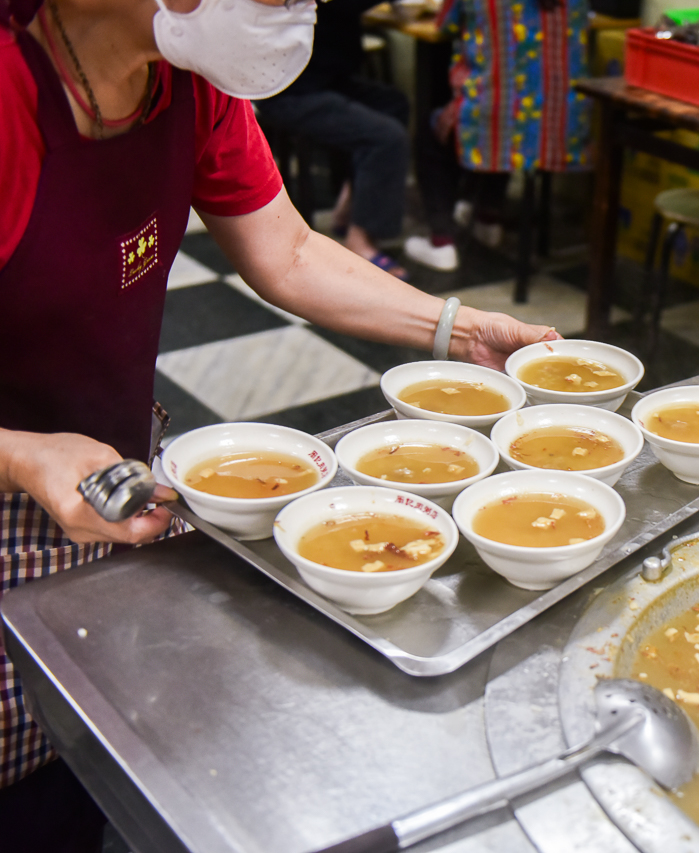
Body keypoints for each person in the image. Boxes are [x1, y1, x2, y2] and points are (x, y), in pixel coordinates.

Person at [0, 0, 558, 845]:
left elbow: (286, 251)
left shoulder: (185, 84)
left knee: (89, 765)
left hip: (107, 486)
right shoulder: (11, 93)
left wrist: (454, 329)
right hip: (18, 493)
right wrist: (24, 455)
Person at [406, 0, 591, 269]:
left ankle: (442, 241)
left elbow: (445, 24)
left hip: (493, 118)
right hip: (562, 125)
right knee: (511, 117)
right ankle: (488, 215)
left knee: (437, 131)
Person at [255, 0, 414, 280]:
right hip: (290, 90)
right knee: (386, 138)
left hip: (328, 79)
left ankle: (350, 206)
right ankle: (359, 241)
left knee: (393, 104)